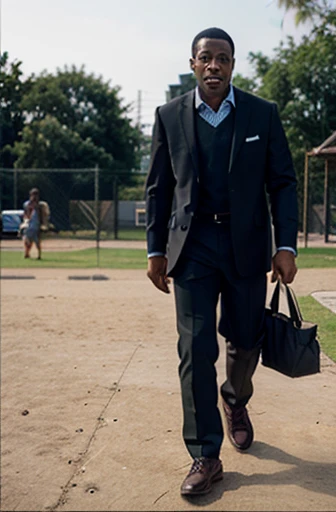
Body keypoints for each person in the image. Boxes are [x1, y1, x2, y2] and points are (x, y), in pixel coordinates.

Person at [145, 27, 298, 497]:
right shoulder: (169, 116)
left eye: (223, 59)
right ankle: (205, 454)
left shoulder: (262, 114)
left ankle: (235, 399)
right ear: (193, 64)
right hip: (191, 247)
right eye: (205, 58)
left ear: (233, 65)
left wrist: (286, 245)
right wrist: (155, 249)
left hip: (247, 244)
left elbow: (283, 183)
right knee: (195, 349)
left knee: (245, 341)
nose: (214, 66)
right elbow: (158, 188)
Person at [21, 188, 50, 259]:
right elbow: (26, 213)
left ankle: (39, 255)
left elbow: (45, 214)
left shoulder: (41, 205)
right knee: (27, 240)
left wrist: (44, 224)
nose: (34, 197)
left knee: (37, 241)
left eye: (35, 195)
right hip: (29, 224)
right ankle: (27, 253)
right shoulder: (27, 204)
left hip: (37, 225)